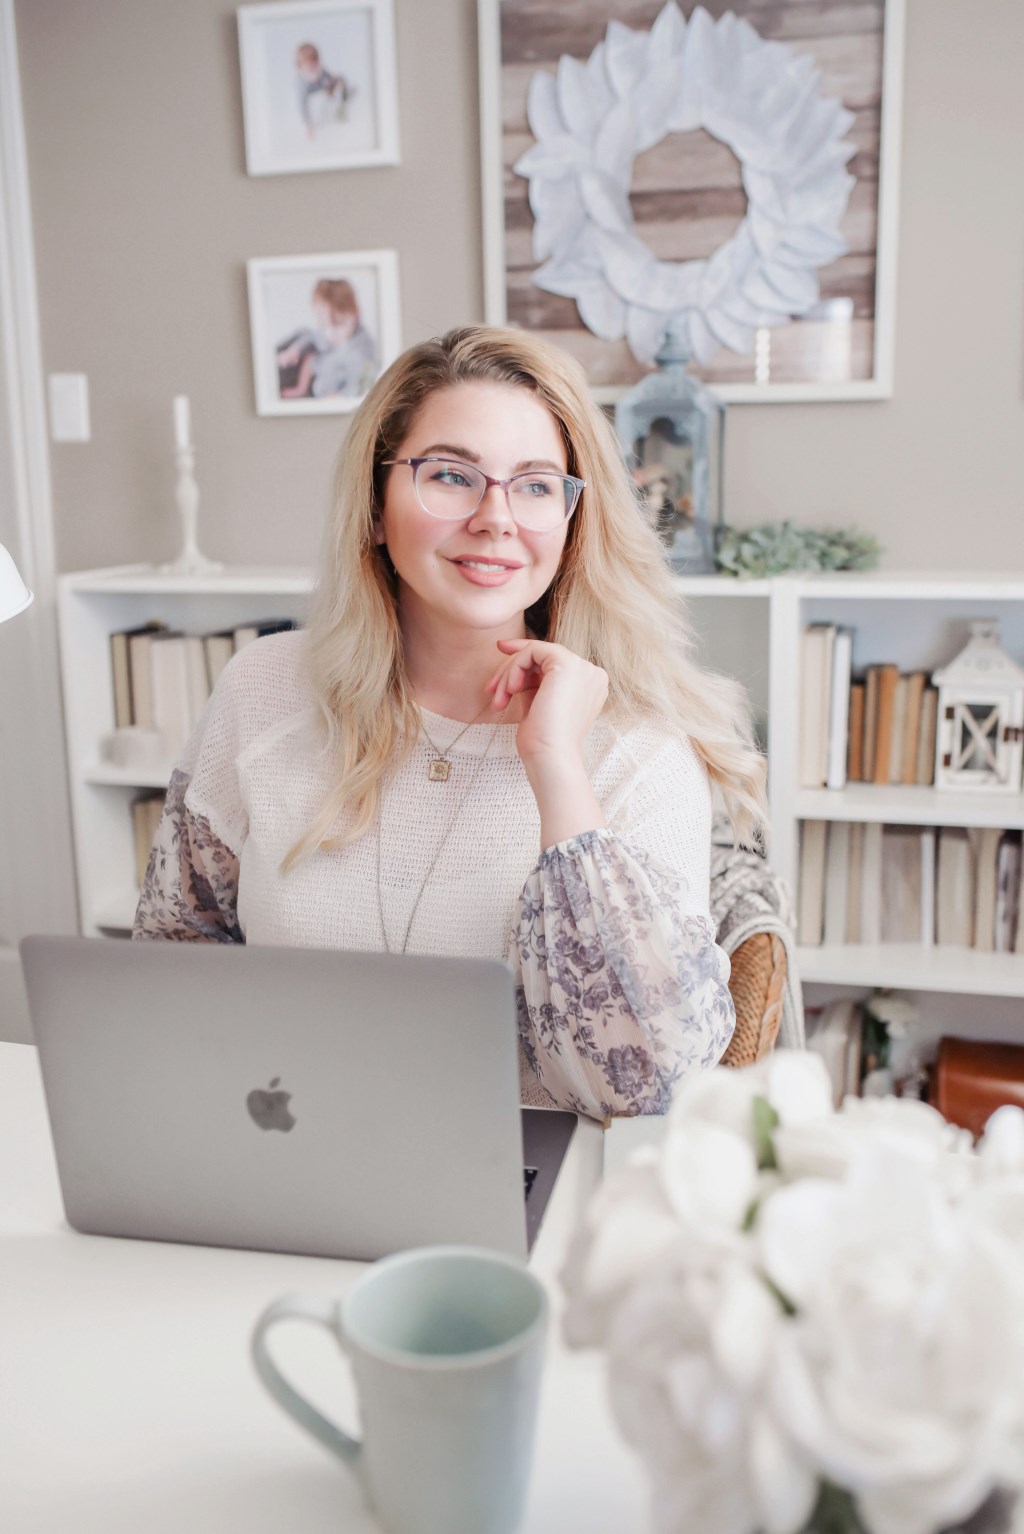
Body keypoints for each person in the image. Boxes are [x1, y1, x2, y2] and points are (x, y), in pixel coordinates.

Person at [134, 326, 766, 1121]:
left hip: (531, 1198)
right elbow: (175, 948)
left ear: (573, 523)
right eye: (450, 475)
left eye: (537, 485)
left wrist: (555, 767)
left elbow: (639, 1084)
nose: (496, 517)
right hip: (284, 1156)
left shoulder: (640, 748)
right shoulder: (262, 688)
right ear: (373, 506)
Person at [276, 277, 378, 401]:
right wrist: (295, 350)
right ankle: (300, 388)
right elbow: (313, 337)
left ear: (355, 313)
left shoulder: (360, 351)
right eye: (324, 326)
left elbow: (360, 385)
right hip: (317, 376)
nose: (330, 333)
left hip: (333, 392)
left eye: (338, 325)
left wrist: (341, 396)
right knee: (305, 340)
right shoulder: (327, 335)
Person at [294, 42, 351, 139]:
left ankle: (345, 101)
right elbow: (302, 105)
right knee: (320, 102)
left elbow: (329, 77)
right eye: (308, 64)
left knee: (340, 79)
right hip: (313, 95)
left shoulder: (321, 70)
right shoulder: (302, 82)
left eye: (314, 62)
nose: (312, 66)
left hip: (323, 87)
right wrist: (308, 124)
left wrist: (334, 83)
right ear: (301, 65)